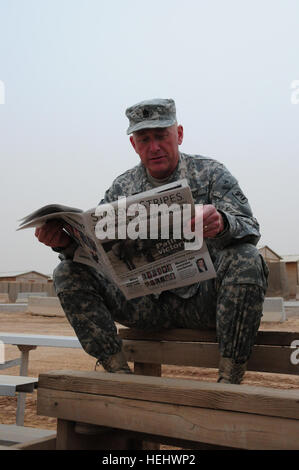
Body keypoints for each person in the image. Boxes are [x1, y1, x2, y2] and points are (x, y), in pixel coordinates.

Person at [35, 98, 268, 384]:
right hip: (145, 306)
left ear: (179, 134)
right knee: (66, 272)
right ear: (134, 145)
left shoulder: (211, 174)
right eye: (144, 139)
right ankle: (119, 376)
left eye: (161, 136)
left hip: (203, 301)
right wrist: (65, 245)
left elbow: (250, 228)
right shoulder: (122, 188)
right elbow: (97, 253)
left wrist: (222, 223)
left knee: (246, 257)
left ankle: (230, 379)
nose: (154, 147)